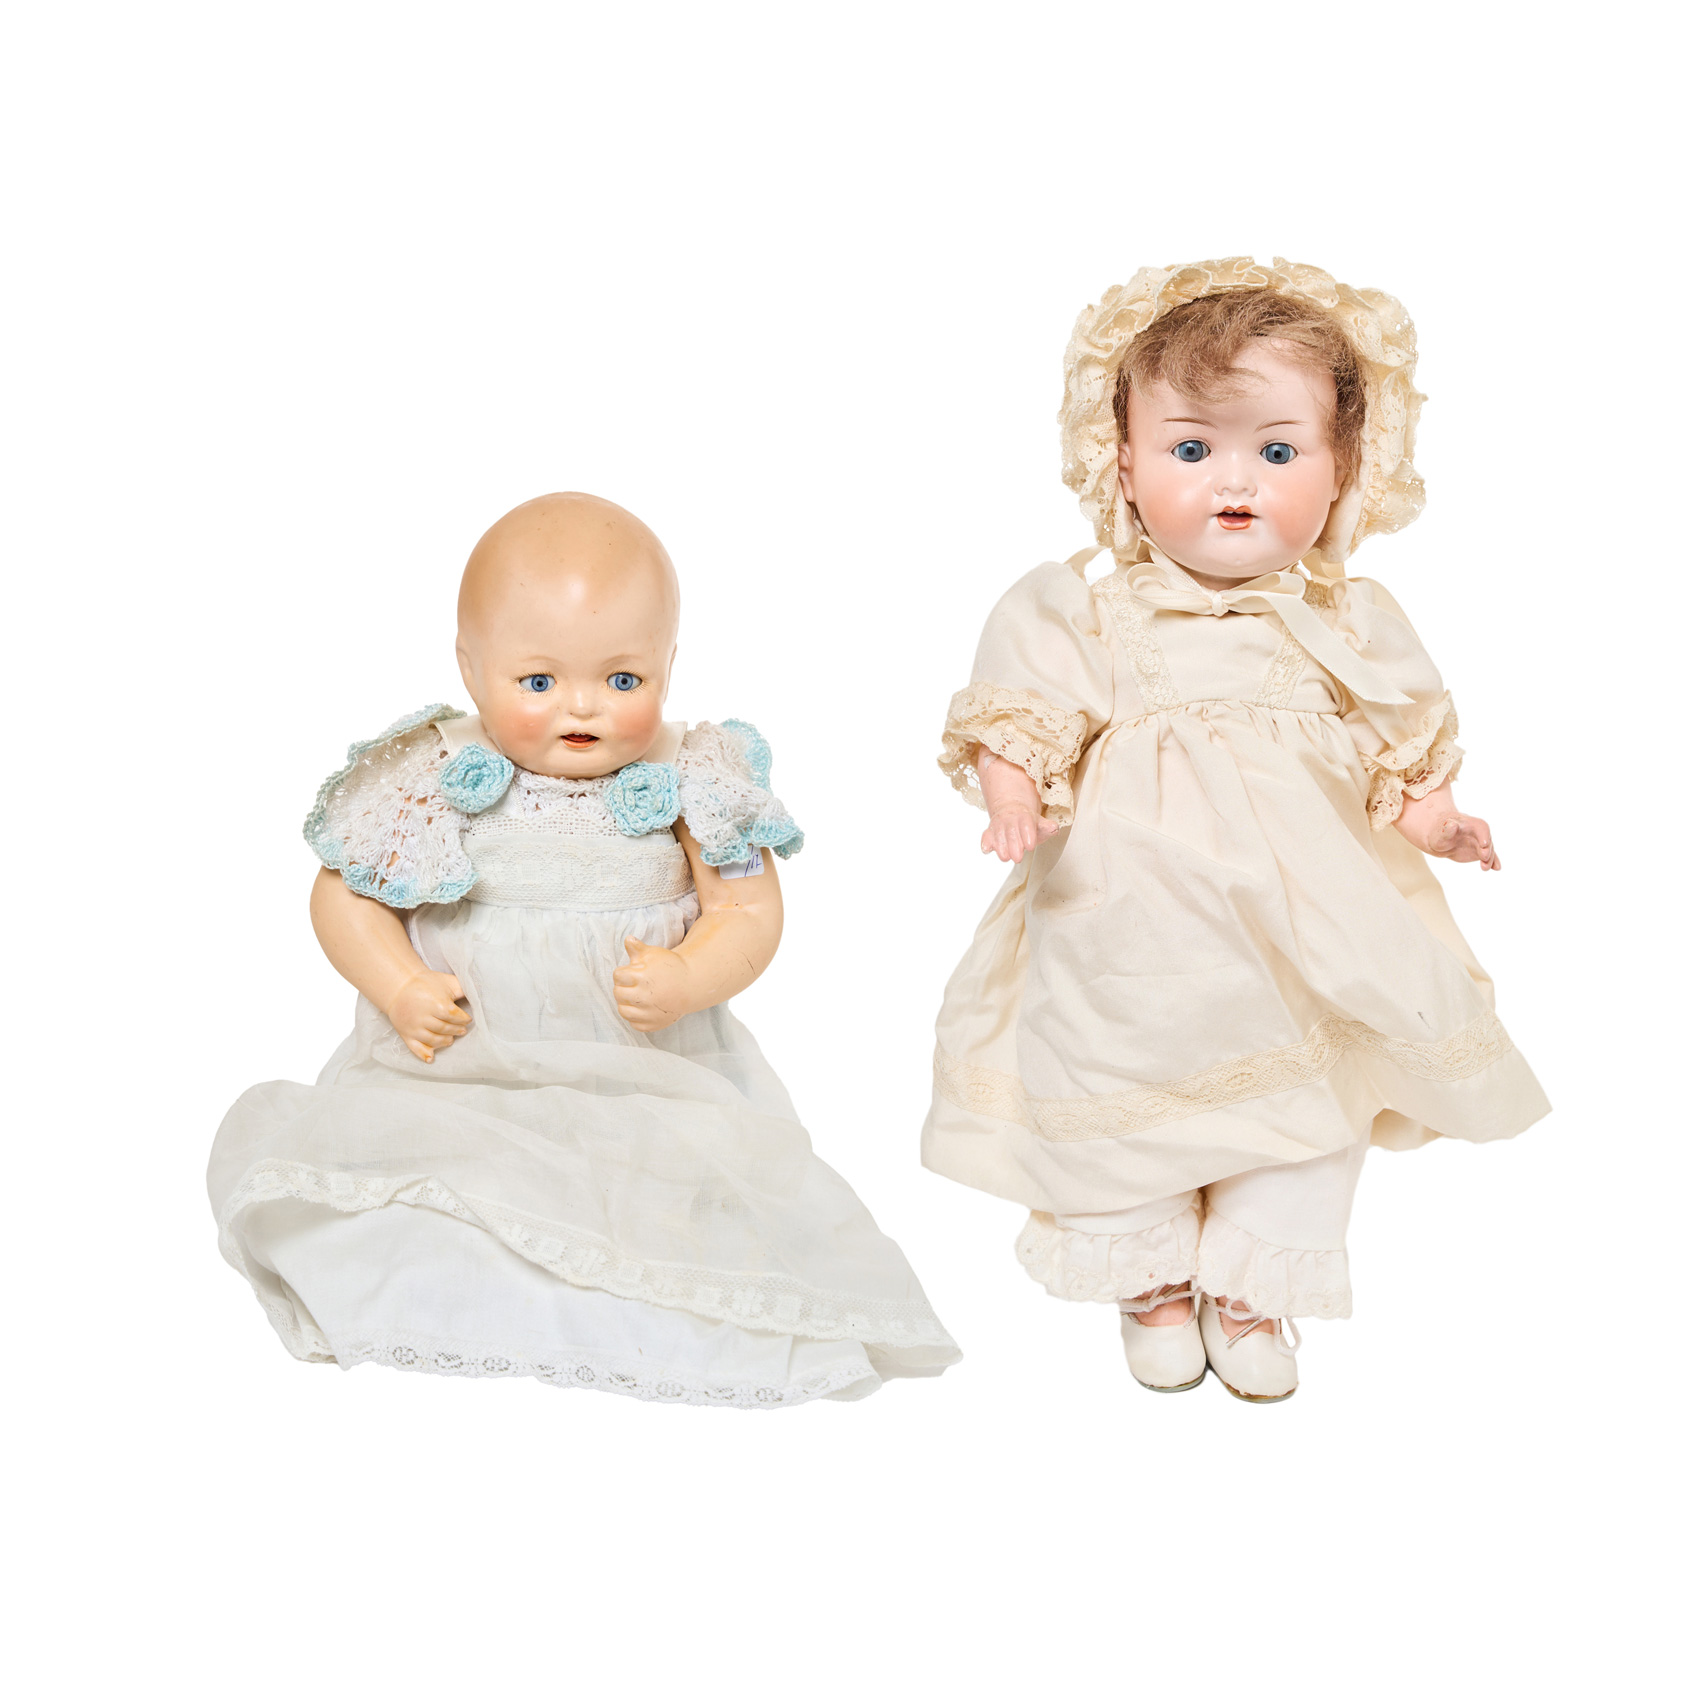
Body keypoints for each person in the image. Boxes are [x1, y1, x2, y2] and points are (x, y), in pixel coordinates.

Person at [923, 259, 1547, 1401]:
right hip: (1127, 937)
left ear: (1343, 468)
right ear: (1121, 462)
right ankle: (1150, 1273)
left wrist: (1435, 817)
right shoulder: (1085, 609)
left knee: (1313, 1096)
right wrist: (1014, 791)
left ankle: (1256, 1280)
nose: (1234, 481)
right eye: (1190, 447)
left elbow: (1393, 745)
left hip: (1305, 938)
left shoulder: (1346, 621)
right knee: (1110, 1076)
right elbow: (1023, 711)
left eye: (1276, 450)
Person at [211, 492, 959, 1407]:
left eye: (623, 679)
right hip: (464, 1073)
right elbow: (344, 897)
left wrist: (692, 972)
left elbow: (747, 908)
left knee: (680, 1208)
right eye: (537, 682)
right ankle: (466, 1284)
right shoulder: (434, 773)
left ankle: (634, 1284)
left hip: (643, 1077)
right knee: (432, 1190)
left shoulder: (693, 777)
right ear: (470, 667)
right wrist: (400, 983)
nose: (582, 706)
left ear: (669, 663)